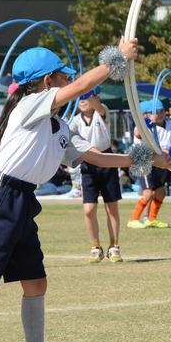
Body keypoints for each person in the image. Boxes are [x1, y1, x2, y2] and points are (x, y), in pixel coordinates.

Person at [0, 41, 171, 342]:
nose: (71, 77)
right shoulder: (30, 104)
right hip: (2, 197)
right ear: (48, 80)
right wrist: (117, 60)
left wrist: (146, 159)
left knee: (36, 282)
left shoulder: (58, 125)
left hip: (24, 201)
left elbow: (96, 157)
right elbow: (81, 87)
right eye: (64, 73)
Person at [69, 91, 123, 263]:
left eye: (87, 98)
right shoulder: (75, 121)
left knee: (111, 207)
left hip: (107, 160)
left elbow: (98, 106)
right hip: (88, 162)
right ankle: (95, 247)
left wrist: (86, 88)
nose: (84, 101)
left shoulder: (101, 112)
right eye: (80, 98)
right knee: (89, 209)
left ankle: (114, 246)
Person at [128, 100, 171, 229]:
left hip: (157, 160)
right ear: (146, 114)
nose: (159, 114)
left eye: (161, 111)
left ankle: (151, 219)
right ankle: (133, 219)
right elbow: (138, 133)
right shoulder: (142, 126)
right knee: (148, 193)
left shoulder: (169, 122)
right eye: (155, 112)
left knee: (160, 192)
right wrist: (148, 123)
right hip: (143, 161)